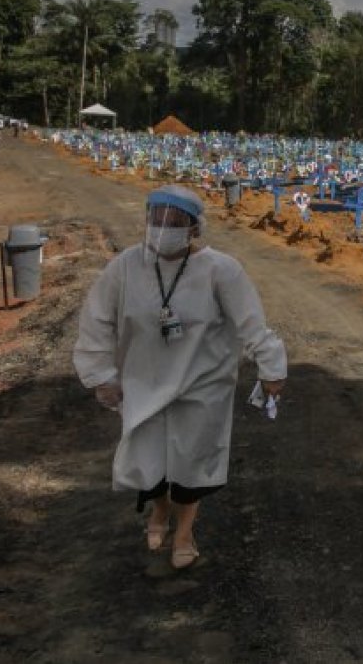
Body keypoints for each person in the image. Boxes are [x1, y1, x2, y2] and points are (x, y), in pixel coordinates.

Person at [73, 186, 287, 569]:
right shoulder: (126, 266)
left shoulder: (221, 270)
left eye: (174, 221)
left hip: (202, 385)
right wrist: (100, 374)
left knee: (192, 464)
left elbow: (251, 323)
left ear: (193, 228)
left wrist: (271, 369)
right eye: (157, 218)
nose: (163, 227)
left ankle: (184, 532)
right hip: (144, 381)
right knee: (147, 462)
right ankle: (159, 511)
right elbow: (96, 320)